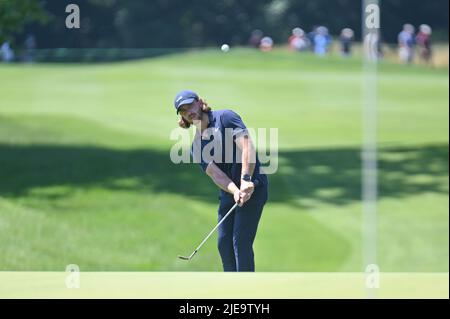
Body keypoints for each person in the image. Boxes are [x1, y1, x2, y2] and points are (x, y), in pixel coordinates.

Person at [173, 90, 269, 272]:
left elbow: (248, 148)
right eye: (183, 110)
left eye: (190, 105)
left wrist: (245, 179)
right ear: (182, 117)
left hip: (253, 186)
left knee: (240, 242)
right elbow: (216, 174)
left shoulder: (226, 118)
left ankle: (246, 292)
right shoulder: (196, 146)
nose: (189, 111)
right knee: (224, 243)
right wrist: (234, 191)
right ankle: (231, 289)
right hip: (230, 192)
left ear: (200, 103)